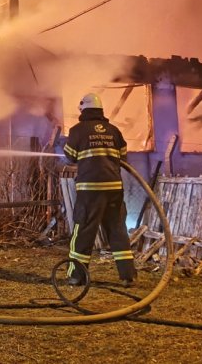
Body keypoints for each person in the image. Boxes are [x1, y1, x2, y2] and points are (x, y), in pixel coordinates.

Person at [63, 93, 137, 287]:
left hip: (90, 190)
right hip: (114, 188)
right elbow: (122, 156)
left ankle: (76, 276)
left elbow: (70, 156)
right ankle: (128, 275)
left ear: (83, 110)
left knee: (84, 230)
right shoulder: (114, 131)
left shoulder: (77, 130)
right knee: (117, 230)